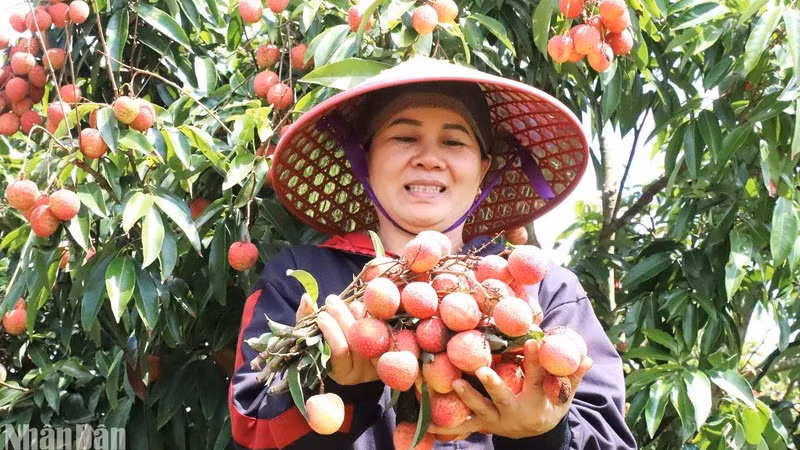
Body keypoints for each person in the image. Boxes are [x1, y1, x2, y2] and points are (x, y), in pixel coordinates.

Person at [228, 57, 637, 449]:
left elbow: (609, 438)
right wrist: (340, 389)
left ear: (483, 170)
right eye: (404, 136)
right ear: (365, 160)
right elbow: (253, 428)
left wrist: (544, 434)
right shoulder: (302, 278)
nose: (429, 158)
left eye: (454, 141)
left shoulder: (543, 289)